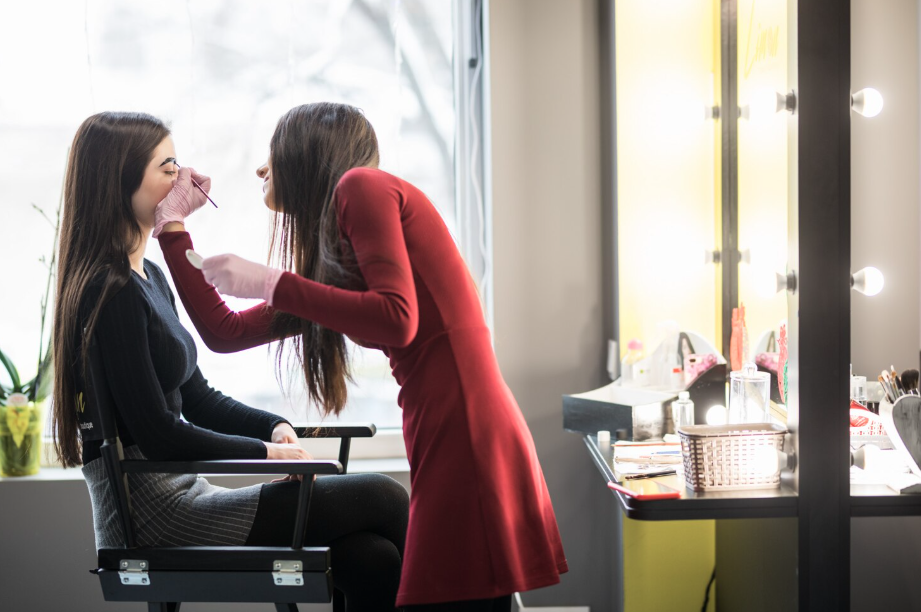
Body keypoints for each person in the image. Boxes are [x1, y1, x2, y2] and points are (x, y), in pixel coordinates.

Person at [154, 102, 568, 611]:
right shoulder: (340, 254)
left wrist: (270, 281)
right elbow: (225, 332)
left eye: (273, 153)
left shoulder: (361, 186)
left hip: (465, 423)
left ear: (309, 155)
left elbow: (398, 317)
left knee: (459, 597)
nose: (262, 168)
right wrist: (171, 227)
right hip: (447, 419)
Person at [50, 111, 408, 612]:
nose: (184, 177)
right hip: (156, 514)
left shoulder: (148, 276)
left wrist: (275, 426)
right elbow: (157, 434)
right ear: (120, 181)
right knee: (385, 498)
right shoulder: (108, 291)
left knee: (372, 560)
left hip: (184, 493)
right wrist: (265, 453)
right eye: (168, 166)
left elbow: (196, 396)